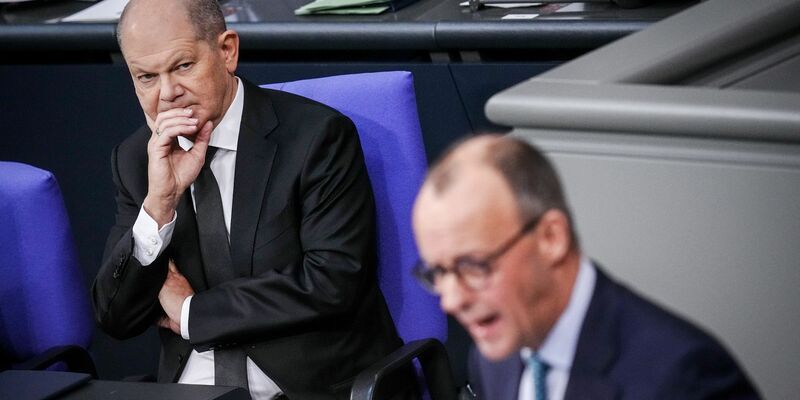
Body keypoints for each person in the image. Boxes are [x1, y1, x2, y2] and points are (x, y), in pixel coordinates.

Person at [91, 1, 405, 399]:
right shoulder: (138, 159)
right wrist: (159, 204)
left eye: (183, 66)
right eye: (146, 77)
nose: (168, 93)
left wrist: (191, 313)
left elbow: (332, 281)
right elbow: (115, 317)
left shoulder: (316, 138)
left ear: (227, 51)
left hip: (307, 386)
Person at [411, 134, 760, 400]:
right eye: (438, 273)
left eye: (473, 266)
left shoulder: (681, 377)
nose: (451, 301)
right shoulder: (492, 359)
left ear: (551, 238)